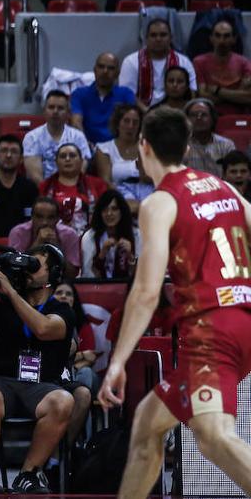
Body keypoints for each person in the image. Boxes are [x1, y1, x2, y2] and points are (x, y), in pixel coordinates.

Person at [99, 107, 251, 499]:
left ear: (143, 147)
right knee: (147, 425)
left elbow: (148, 291)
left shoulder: (160, 202)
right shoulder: (223, 187)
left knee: (213, 437)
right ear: (186, 146)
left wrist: (117, 361)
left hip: (210, 329)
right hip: (242, 319)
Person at [0, 244, 76, 494]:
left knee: (63, 401)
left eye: (35, 265)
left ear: (53, 275)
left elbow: (44, 329)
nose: (27, 269)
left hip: (41, 386)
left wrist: (10, 292)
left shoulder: (62, 310)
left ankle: (28, 473)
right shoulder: (3, 307)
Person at [52, 280, 99, 443]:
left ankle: (79, 441)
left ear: (74, 300)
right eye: (59, 293)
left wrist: (79, 359)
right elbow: (61, 355)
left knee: (85, 375)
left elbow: (92, 357)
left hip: (74, 373)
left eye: (69, 294)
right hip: (56, 372)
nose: (64, 296)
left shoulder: (81, 324)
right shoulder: (43, 321)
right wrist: (81, 356)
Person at [120, 19, 198, 107]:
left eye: (163, 35)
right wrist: (147, 112)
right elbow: (127, 94)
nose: (158, 39)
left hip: (176, 112)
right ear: (146, 38)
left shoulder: (184, 61)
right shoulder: (131, 61)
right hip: (142, 113)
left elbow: (192, 92)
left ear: (171, 38)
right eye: (153, 35)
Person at [24, 90, 92, 182]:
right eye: (51, 107)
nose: (55, 111)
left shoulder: (78, 137)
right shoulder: (32, 137)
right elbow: (35, 176)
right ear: (44, 111)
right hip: (42, 191)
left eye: (60, 108)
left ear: (68, 113)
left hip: (72, 189)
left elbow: (80, 170)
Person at [94, 103, 153, 209]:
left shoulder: (146, 147)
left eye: (135, 122)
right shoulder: (104, 148)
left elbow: (150, 177)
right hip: (118, 194)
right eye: (126, 121)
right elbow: (105, 181)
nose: (130, 126)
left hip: (147, 191)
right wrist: (122, 200)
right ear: (117, 124)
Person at [39, 143, 109, 232]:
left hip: (90, 235)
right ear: (56, 162)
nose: (67, 159)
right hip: (54, 235)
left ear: (81, 161)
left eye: (72, 156)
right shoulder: (45, 186)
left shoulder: (97, 184)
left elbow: (105, 212)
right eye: (63, 156)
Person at [72, 52, 138, 144]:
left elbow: (133, 123)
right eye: (101, 67)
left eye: (110, 68)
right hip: (88, 147)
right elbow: (76, 123)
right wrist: (85, 145)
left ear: (117, 73)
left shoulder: (126, 94)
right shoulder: (79, 94)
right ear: (94, 70)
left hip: (117, 149)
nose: (105, 71)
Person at [8, 196, 82, 272]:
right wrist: (38, 244)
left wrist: (56, 249)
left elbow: (72, 273)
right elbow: (15, 269)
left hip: (59, 282)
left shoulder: (69, 235)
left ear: (57, 219)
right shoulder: (18, 233)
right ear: (32, 217)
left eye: (50, 218)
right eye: (39, 217)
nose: (44, 222)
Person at [195, 20, 251, 115]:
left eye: (226, 36)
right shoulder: (199, 62)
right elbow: (203, 97)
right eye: (217, 35)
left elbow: (248, 97)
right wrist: (236, 94)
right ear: (211, 38)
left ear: (234, 39)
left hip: (239, 117)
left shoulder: (244, 63)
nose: (222, 40)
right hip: (208, 117)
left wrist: (217, 90)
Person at [80, 189, 138, 277]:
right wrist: (102, 254)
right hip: (98, 289)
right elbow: (88, 275)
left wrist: (130, 256)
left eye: (114, 209)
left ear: (122, 211)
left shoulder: (136, 235)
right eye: (104, 210)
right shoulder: (90, 236)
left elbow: (142, 274)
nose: (109, 213)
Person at [183, 97, 235, 174]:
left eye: (204, 115)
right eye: (193, 115)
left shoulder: (226, 145)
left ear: (213, 118)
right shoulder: (181, 145)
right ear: (186, 120)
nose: (199, 118)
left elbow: (233, 174)